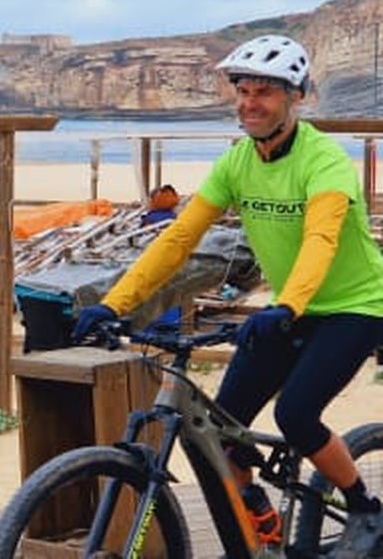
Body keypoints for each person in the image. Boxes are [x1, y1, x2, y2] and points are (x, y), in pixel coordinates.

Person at [72, 34, 383, 555]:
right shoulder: (237, 163)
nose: (249, 103)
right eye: (242, 90)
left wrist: (286, 305)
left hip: (357, 305)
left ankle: (363, 508)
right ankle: (258, 522)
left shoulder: (324, 162)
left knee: (296, 414)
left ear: (295, 97)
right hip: (293, 305)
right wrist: (113, 303)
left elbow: (320, 240)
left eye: (264, 91)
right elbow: (177, 241)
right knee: (222, 429)